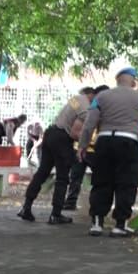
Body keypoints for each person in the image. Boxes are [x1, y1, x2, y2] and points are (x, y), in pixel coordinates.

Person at [78, 68, 138, 238]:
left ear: (117, 80)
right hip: (128, 142)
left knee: (101, 181)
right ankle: (120, 225)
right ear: (133, 81)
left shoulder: (101, 97)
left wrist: (82, 146)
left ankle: (97, 224)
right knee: (126, 183)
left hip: (104, 141)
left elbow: (89, 124)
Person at [18, 86, 98, 224]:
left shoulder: (76, 99)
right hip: (62, 138)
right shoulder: (86, 109)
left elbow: (66, 115)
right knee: (62, 177)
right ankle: (56, 214)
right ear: (94, 95)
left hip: (51, 133)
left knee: (42, 172)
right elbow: (74, 133)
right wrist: (88, 143)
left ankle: (26, 207)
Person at [64, 85, 108, 210]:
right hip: (81, 148)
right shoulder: (86, 108)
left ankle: (97, 204)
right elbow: (76, 129)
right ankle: (70, 202)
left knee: (100, 177)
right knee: (75, 177)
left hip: (96, 149)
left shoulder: (107, 110)